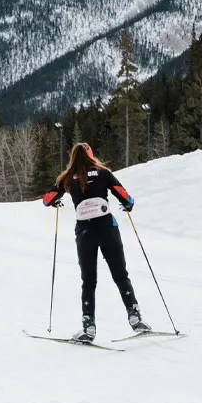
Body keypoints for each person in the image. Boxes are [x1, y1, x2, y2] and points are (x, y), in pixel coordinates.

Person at [41, 142, 149, 342]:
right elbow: (125, 196)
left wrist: (55, 201)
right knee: (121, 275)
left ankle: (88, 326)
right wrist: (128, 205)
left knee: (88, 282)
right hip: (108, 229)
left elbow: (47, 199)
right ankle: (135, 317)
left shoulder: (67, 178)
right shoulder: (103, 172)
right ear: (91, 155)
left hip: (85, 233)